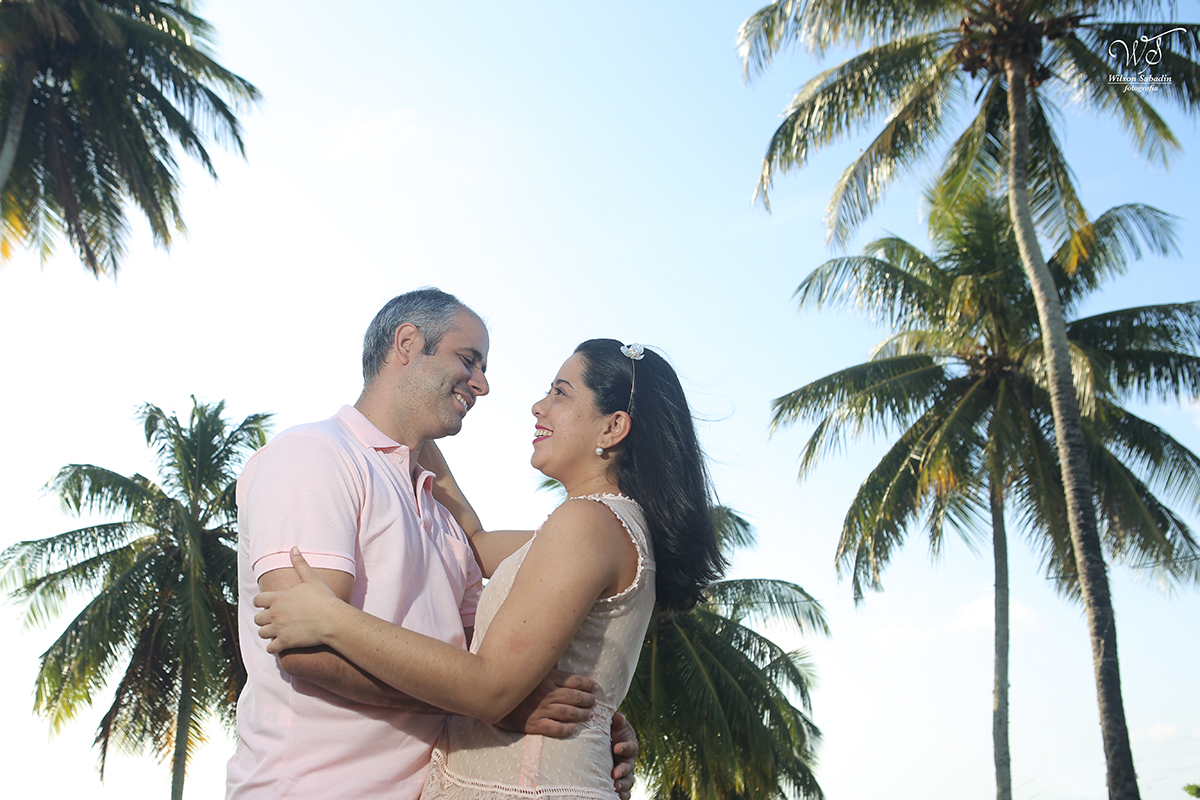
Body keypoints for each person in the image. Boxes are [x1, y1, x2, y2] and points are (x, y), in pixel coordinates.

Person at [253, 338, 727, 800]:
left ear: (612, 428)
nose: (539, 407)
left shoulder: (587, 523)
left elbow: (489, 687)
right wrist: (410, 430)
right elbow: (475, 543)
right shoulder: (606, 526)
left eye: (560, 393)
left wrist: (332, 618)